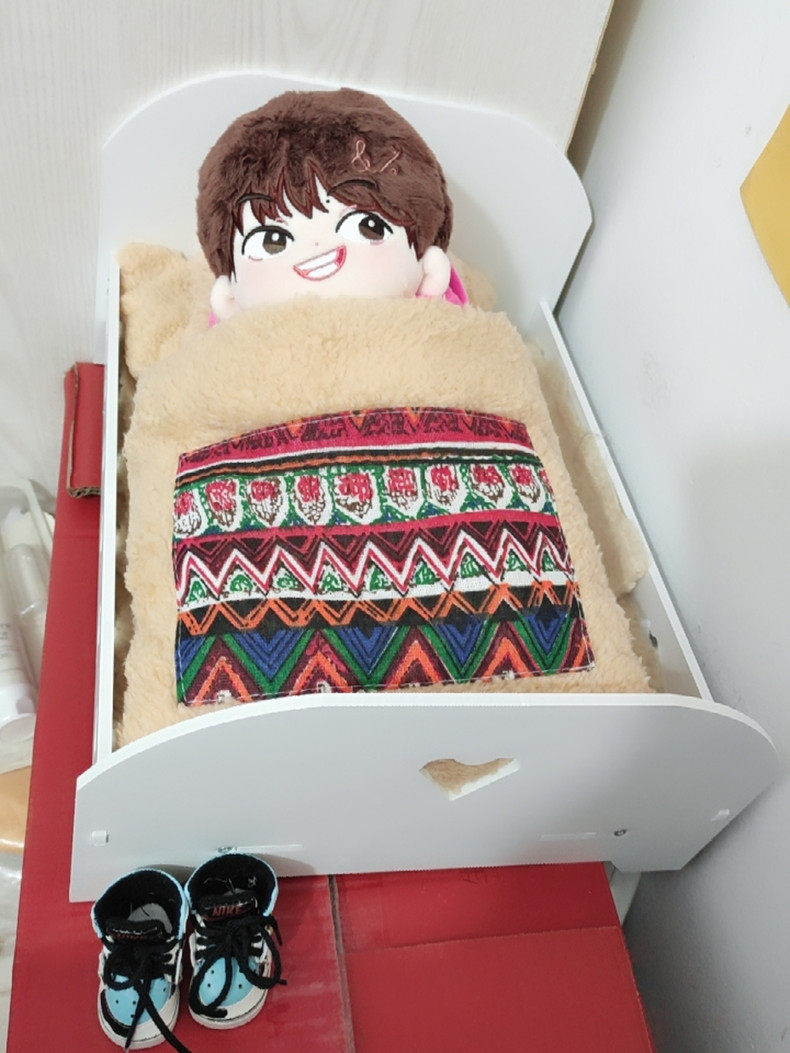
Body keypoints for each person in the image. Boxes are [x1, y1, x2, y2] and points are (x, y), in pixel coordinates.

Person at [196, 87, 466, 319]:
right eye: (272, 240)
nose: (316, 246)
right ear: (229, 297)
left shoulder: (431, 331)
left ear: (430, 269)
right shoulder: (236, 349)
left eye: (367, 226)